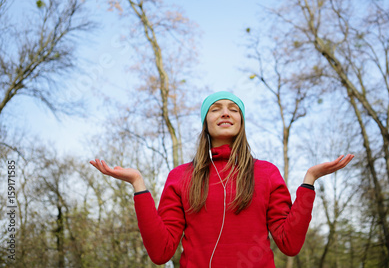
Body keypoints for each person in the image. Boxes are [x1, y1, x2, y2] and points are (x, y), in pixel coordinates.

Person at [90, 91, 354, 268]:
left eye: (233, 109)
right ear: (206, 122)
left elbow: (290, 243)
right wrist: (138, 185)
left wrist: (309, 181)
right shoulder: (180, 176)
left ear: (241, 121)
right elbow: (161, 252)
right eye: (216, 109)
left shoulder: (266, 173)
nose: (225, 113)